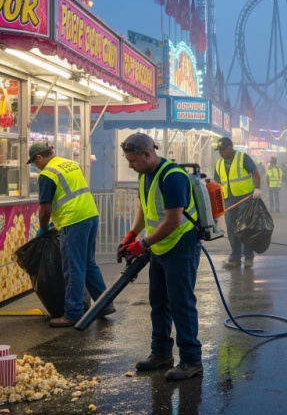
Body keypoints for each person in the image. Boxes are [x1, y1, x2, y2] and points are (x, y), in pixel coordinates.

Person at [118, 132, 204, 380]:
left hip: (180, 246)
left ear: (147, 154)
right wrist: (132, 234)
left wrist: (142, 243)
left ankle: (191, 359)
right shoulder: (146, 176)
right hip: (159, 247)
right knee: (158, 303)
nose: (130, 166)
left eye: (133, 161)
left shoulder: (173, 177)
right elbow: (143, 207)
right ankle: (162, 354)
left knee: (181, 304)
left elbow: (174, 220)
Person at [28, 141, 111, 328]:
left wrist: (42, 228)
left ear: (39, 157)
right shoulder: (70, 164)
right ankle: (104, 304)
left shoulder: (47, 174)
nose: (36, 166)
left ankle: (73, 313)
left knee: (73, 268)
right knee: (88, 263)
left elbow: (45, 208)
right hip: (90, 215)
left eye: (34, 162)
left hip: (72, 222)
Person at [213, 137, 262, 268]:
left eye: (222, 150)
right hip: (229, 199)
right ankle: (235, 256)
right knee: (232, 228)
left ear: (229, 148)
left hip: (245, 197)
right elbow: (217, 183)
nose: (220, 153)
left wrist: (257, 189)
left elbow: (255, 174)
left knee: (245, 227)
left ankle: (248, 256)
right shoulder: (219, 163)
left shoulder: (243, 158)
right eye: (219, 151)